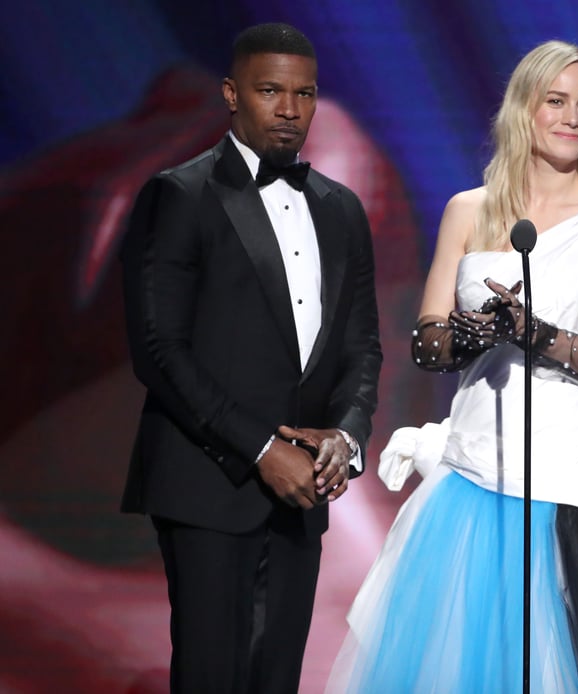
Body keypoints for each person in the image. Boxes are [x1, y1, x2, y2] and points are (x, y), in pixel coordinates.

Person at [328, 40, 578, 693]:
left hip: (561, 475)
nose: (574, 118)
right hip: (470, 472)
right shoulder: (469, 210)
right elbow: (426, 344)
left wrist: (534, 333)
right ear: (524, 108)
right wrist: (472, 334)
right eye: (557, 101)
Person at [119, 22, 382, 693]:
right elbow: (158, 350)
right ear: (233, 94)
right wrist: (265, 450)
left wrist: (345, 441)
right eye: (271, 91)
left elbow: (360, 345)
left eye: (304, 93)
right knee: (212, 674)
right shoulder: (180, 195)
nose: (290, 108)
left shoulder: (342, 209)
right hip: (211, 483)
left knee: (277, 677)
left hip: (302, 496)